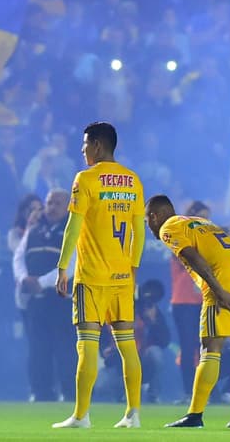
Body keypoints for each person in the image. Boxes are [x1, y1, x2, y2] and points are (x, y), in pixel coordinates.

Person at [52, 122, 146, 430]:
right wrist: (133, 268)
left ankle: (81, 415)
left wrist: (62, 266)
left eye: (84, 145)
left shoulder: (86, 179)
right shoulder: (133, 180)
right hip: (122, 277)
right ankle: (133, 414)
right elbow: (139, 232)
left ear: (97, 146)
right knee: (127, 346)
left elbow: (73, 226)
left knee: (87, 345)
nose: (82, 150)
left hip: (91, 276)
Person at [148, 195, 230, 429]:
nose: (148, 225)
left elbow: (191, 255)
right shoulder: (200, 222)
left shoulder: (169, 227)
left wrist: (217, 289)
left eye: (147, 220)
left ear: (155, 216)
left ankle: (195, 415)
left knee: (210, 348)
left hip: (223, 280)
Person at [13, 188, 75, 402]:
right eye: (49, 203)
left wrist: (41, 282)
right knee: (38, 349)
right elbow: (18, 257)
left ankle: (70, 395)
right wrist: (23, 279)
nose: (52, 207)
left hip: (61, 299)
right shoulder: (34, 230)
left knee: (65, 349)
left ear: (68, 206)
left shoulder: (74, 230)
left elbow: (74, 263)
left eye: (57, 203)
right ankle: (40, 393)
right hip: (36, 300)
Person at [170, 199, 210, 400]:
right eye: (202, 218)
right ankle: (188, 391)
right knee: (188, 346)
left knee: (204, 345)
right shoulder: (179, 237)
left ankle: (203, 391)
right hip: (183, 300)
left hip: (202, 298)